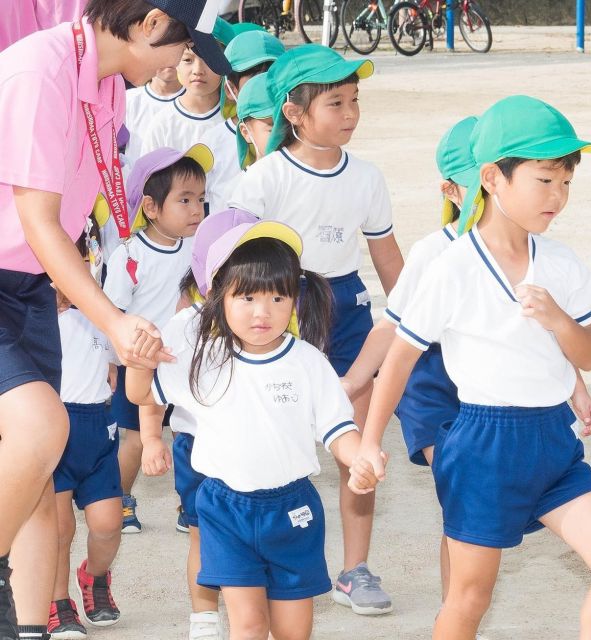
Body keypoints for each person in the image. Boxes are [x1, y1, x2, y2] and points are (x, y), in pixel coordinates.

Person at [351, 95, 591, 639]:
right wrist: (369, 442)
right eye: (545, 180)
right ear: (492, 178)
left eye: (566, 183)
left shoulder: (563, 263)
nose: (558, 195)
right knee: (468, 598)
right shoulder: (451, 266)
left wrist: (559, 322)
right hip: (484, 444)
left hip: (555, 442)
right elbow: (400, 358)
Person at [0, 1, 228, 637]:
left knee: (37, 482)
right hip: (15, 276)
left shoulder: (107, 87)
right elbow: (37, 220)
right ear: (151, 22)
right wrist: (114, 320)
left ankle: (27, 627)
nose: (177, 69)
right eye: (177, 52)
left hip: (31, 285)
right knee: (43, 431)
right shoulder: (39, 73)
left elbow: (76, 221)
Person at [127, 214, 367, 640]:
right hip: (225, 508)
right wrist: (138, 362)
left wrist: (359, 457)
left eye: (278, 298)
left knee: (294, 631)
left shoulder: (307, 361)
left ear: (295, 299)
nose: (263, 312)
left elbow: (338, 428)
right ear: (219, 298)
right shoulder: (204, 357)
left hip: (293, 507)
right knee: (249, 624)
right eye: (248, 297)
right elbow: (142, 396)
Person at [229, 43, 403, 616]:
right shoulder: (263, 179)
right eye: (335, 102)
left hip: (348, 307)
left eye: (355, 101)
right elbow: (229, 268)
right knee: (275, 440)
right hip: (281, 308)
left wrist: (416, 323)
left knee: (358, 444)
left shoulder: (368, 177)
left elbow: (387, 261)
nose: (350, 113)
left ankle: (354, 569)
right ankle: (263, 558)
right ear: (295, 114)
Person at [138, 210, 261, 640]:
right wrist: (152, 438)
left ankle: (252, 616)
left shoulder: (277, 322)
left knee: (252, 536)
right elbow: (154, 391)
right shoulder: (186, 326)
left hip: (255, 449)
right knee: (201, 535)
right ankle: (204, 617)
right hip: (198, 445)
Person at [103, 144, 212, 535]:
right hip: (141, 365)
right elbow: (111, 312)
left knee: (187, 434)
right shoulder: (130, 256)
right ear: (150, 207)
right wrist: (113, 360)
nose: (197, 209)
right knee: (136, 440)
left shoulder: (201, 250)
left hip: (188, 363)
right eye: (184, 200)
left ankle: (191, 502)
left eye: (201, 199)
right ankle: (121, 498)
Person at [48, 224, 122, 639]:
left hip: (97, 432)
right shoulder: (32, 321)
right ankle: (58, 603)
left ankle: (94, 577)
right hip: (54, 433)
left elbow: (117, 355)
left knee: (108, 524)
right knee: (59, 530)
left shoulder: (99, 315)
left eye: (82, 263)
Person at [205, 30, 284, 212]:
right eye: (254, 77)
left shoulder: (299, 132)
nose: (264, 84)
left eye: (273, 75)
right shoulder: (212, 143)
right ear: (230, 88)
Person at [142, 44, 224, 211]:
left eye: (209, 59)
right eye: (187, 60)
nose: (198, 70)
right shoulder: (163, 123)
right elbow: (148, 181)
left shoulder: (235, 122)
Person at [124, 67, 185, 172]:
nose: (168, 60)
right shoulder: (128, 99)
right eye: (161, 51)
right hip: (135, 182)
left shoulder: (194, 102)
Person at [235, 73, 274, 170]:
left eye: (291, 127)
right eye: (273, 130)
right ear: (246, 132)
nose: (284, 136)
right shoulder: (240, 185)